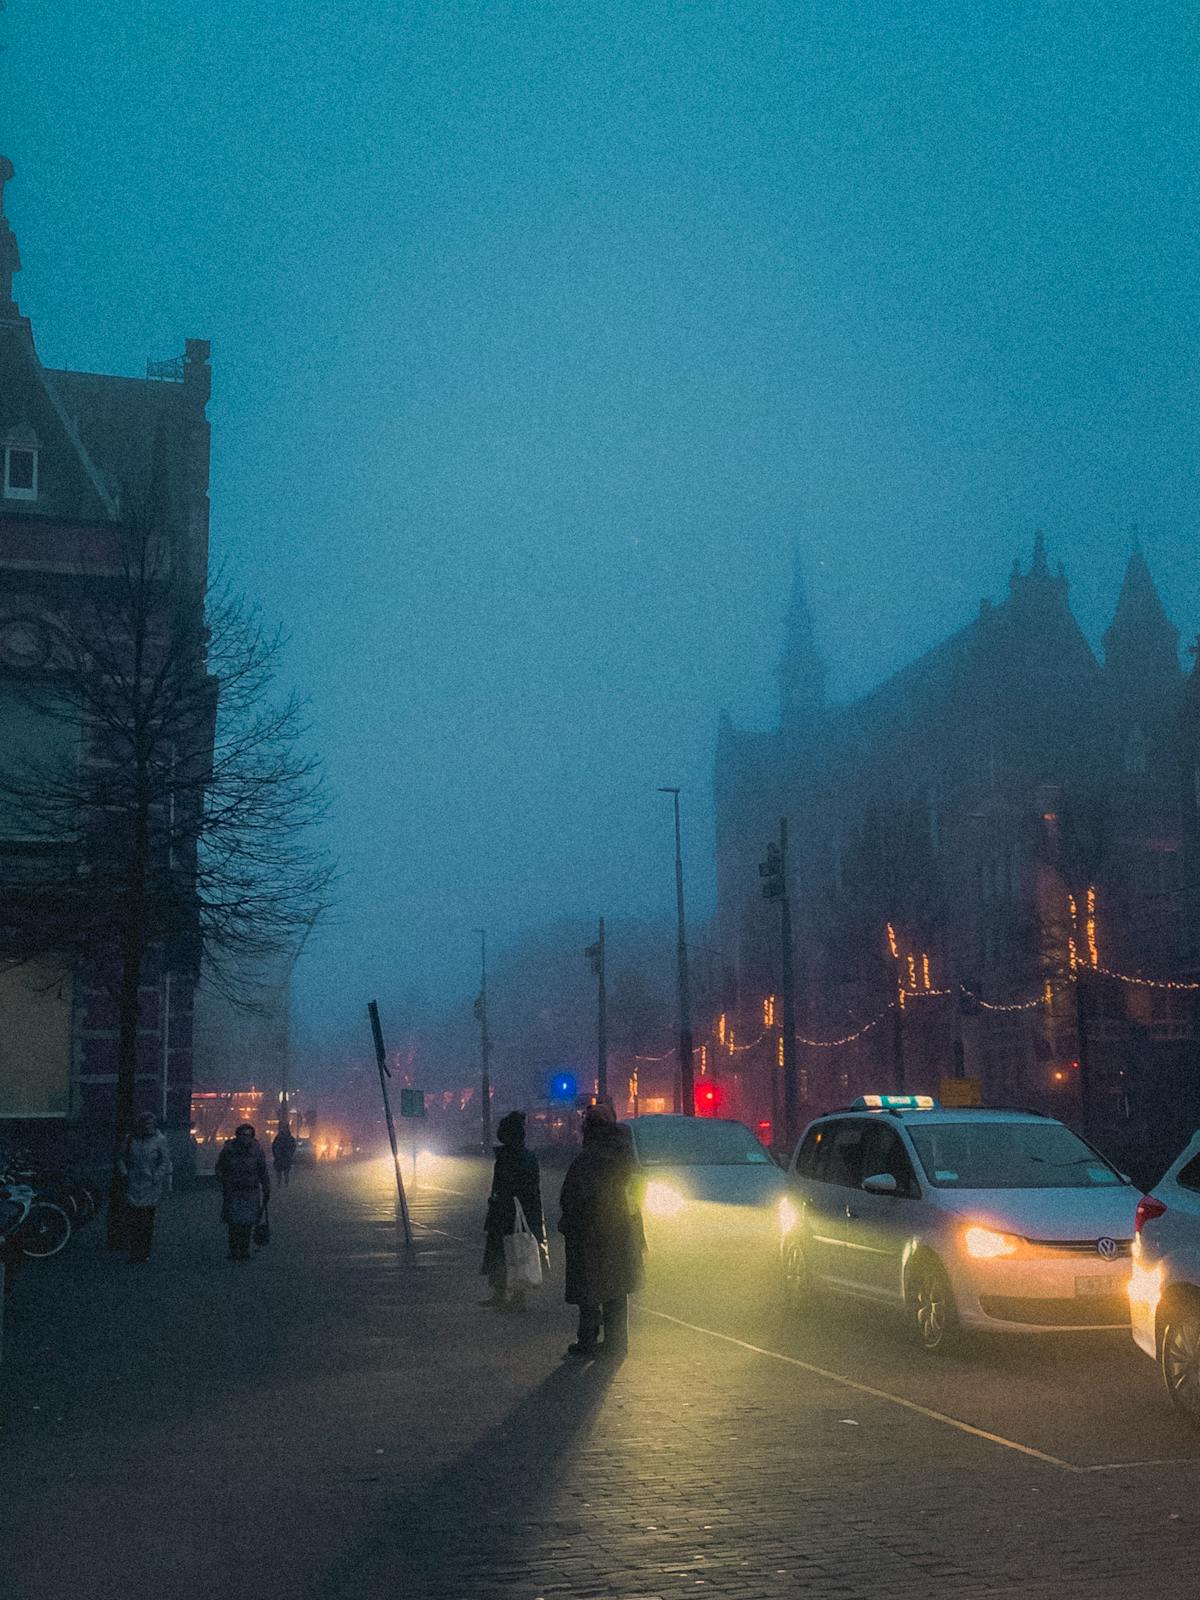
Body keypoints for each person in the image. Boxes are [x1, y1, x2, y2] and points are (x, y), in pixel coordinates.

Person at [558, 1102, 645, 1358]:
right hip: (620, 1230)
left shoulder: (589, 1158)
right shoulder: (624, 1154)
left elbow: (575, 1196)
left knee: (589, 1288)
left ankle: (587, 1340)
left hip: (590, 1232)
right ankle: (617, 1342)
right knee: (616, 1289)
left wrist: (569, 1222)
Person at [481, 1110, 548, 1311]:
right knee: (515, 1253)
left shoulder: (509, 1157)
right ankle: (510, 1294)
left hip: (507, 1212)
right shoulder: (525, 1156)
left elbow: (507, 1186)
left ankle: (509, 1295)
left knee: (506, 1253)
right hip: (515, 1211)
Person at [116, 1111, 173, 1264]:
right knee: (134, 1220)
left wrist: (157, 1176)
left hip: (150, 1185)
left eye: (151, 1124)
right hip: (133, 1182)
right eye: (146, 1124)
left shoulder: (159, 1140)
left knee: (146, 1220)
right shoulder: (130, 1139)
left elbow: (164, 1160)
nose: (149, 1127)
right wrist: (125, 1173)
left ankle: (144, 1251)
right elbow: (121, 1157)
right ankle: (135, 1251)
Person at [216, 1122, 270, 1261]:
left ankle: (244, 1250)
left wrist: (266, 1187)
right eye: (243, 1134)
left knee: (247, 1223)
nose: (245, 1137)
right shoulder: (229, 1149)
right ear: (237, 1135)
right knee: (233, 1223)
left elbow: (262, 1170)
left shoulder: (257, 1150)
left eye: (248, 1135)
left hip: (250, 1191)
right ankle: (234, 1250)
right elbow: (220, 1167)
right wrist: (224, 1181)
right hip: (233, 1191)